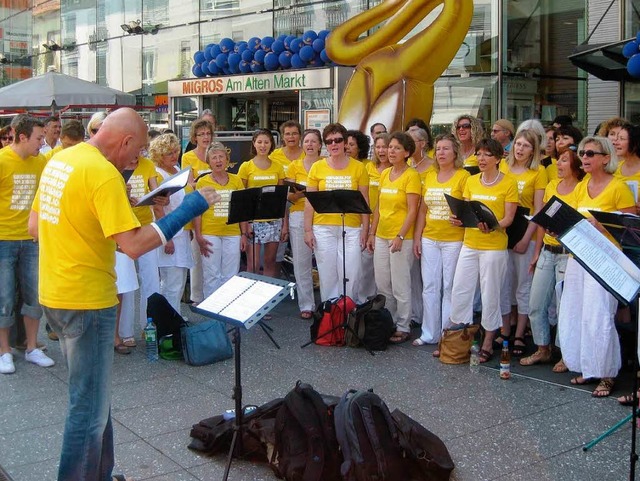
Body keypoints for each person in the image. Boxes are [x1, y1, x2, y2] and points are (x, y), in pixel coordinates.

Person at [29, 107, 220, 481]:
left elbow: (36, 225)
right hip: (87, 300)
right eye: (140, 149)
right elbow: (133, 246)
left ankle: (102, 473)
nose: (140, 157)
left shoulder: (62, 159)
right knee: (88, 409)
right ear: (126, 140)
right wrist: (193, 206)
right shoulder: (103, 173)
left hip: (55, 292)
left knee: (94, 398)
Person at [558, 136, 635, 397]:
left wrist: (603, 225)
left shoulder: (619, 187)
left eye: (591, 153)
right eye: (582, 153)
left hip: (605, 261)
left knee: (599, 316)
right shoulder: (582, 186)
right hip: (578, 258)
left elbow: (630, 227)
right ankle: (586, 366)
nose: (585, 157)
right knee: (576, 312)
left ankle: (606, 373)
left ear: (606, 157)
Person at [449, 139, 518, 361]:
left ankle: (488, 340)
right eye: (478, 154)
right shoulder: (470, 181)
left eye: (487, 155)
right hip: (470, 242)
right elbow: (468, 211)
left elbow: (509, 218)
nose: (481, 158)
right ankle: (457, 338)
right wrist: (460, 219)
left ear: (498, 159)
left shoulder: (508, 183)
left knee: (491, 294)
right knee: (460, 289)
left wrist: (493, 226)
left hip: (494, 246)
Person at [0, 115, 54, 374]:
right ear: (22, 137)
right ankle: (4, 351)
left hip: (33, 239)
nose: (42, 143)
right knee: (4, 297)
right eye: (38, 138)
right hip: (4, 239)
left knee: (34, 294)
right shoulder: (2, 160)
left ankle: (32, 347)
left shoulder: (41, 162)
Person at [520, 148, 584, 368]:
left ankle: (566, 353)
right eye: (559, 160)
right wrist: (537, 251)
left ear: (575, 166)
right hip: (548, 250)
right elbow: (543, 222)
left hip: (568, 255)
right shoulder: (551, 186)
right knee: (536, 302)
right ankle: (543, 348)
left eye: (564, 161)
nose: (558, 164)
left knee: (564, 307)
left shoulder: (581, 188)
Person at [412, 133, 469, 349]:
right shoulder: (431, 176)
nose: (441, 153)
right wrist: (418, 236)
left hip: (453, 239)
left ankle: (447, 334)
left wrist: (462, 220)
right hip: (430, 237)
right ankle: (429, 332)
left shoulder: (463, 176)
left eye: (446, 148)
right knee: (430, 286)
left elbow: (467, 208)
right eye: (438, 149)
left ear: (455, 152)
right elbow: (422, 210)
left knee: (450, 287)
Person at [304, 123, 369, 301]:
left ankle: (348, 313)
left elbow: (365, 200)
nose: (334, 144)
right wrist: (307, 230)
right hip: (323, 227)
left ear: (345, 142)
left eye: (338, 140)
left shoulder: (359, 167)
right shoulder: (317, 167)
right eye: (329, 141)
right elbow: (310, 201)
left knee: (351, 273)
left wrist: (366, 229)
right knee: (327, 274)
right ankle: (331, 316)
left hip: (352, 227)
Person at [367, 132, 421, 344]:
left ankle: (403, 325)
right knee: (382, 284)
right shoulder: (385, 173)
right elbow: (379, 206)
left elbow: (412, 210)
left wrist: (400, 235)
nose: (391, 151)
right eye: (390, 147)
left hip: (401, 237)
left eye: (397, 148)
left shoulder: (411, 176)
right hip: (381, 235)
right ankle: (387, 321)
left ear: (407, 152)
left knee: (400, 284)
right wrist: (372, 232)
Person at [498, 129, 548, 357]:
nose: (519, 149)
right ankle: (505, 329)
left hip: (525, 228)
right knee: (504, 285)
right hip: (503, 228)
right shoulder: (502, 167)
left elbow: (539, 209)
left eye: (525, 146)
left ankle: (520, 332)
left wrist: (527, 238)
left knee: (523, 286)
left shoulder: (538, 172)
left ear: (533, 150)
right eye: (517, 144)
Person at [195, 142, 247, 297]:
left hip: (232, 232)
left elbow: (242, 208)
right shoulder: (202, 182)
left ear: (227, 159)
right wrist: (198, 235)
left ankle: (228, 309)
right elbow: (197, 211)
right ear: (208, 162)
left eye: (221, 157)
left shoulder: (237, 180)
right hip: (210, 232)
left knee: (230, 275)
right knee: (212, 274)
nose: (218, 161)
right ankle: (212, 312)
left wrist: (244, 233)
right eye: (214, 157)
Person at [150, 133, 194, 312]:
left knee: (180, 278)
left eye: (176, 151)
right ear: (159, 155)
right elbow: (157, 208)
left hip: (181, 230)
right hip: (169, 232)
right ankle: (168, 321)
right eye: (169, 153)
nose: (174, 155)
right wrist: (166, 238)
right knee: (170, 281)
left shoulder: (177, 169)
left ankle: (176, 316)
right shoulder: (157, 174)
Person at [238, 128, 286, 278]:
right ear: (254, 143)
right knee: (253, 264)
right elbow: (242, 198)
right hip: (253, 221)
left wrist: (285, 224)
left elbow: (281, 198)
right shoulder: (246, 167)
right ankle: (252, 299)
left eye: (266, 142)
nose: (263, 145)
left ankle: (267, 296)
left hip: (273, 219)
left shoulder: (278, 166)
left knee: (270, 261)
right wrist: (245, 225)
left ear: (271, 144)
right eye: (259, 142)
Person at [286, 129, 323, 318]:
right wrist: (304, 193)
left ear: (319, 145)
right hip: (299, 215)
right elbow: (290, 196)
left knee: (324, 263)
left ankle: (328, 303)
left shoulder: (326, 165)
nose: (309, 145)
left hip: (322, 216)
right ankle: (306, 305)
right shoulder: (294, 166)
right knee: (302, 263)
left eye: (313, 142)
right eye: (306, 141)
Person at [182, 118, 214, 304]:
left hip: (215, 208)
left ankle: (213, 295)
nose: (205, 137)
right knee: (196, 253)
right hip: (197, 206)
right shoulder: (188, 157)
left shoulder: (218, 151)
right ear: (194, 137)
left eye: (208, 133)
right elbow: (189, 183)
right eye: (201, 134)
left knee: (210, 253)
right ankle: (196, 296)